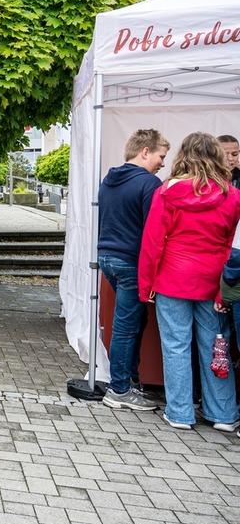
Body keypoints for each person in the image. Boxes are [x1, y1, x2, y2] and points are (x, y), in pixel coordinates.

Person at [138, 131, 240, 431]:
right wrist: (227, 292)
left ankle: (180, 412)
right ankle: (222, 413)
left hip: (172, 278)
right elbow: (233, 246)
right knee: (215, 346)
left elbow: (153, 242)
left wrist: (147, 286)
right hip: (214, 281)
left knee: (175, 346)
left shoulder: (167, 191)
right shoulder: (232, 196)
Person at [97, 129, 168, 412]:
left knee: (133, 323)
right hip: (131, 262)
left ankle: (128, 381)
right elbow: (155, 230)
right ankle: (120, 390)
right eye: (161, 156)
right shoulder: (149, 184)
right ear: (145, 152)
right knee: (128, 326)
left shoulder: (109, 179)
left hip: (108, 258)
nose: (163, 163)